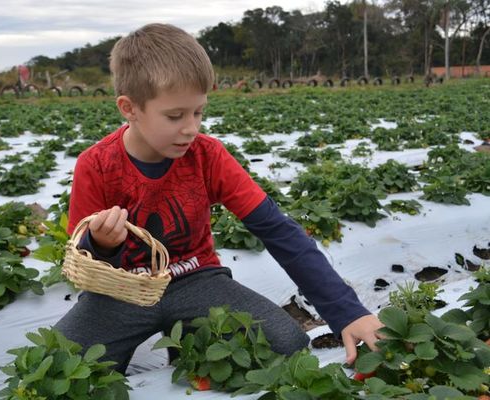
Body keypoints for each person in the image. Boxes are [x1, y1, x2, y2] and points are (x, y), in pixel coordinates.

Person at [56, 23, 383, 375]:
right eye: (174, 116)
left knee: (285, 345)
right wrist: (102, 245)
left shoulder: (207, 155)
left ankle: (192, 349)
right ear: (129, 108)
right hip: (122, 291)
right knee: (59, 368)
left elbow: (276, 229)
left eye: (198, 112)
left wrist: (347, 312)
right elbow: (82, 264)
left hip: (196, 280)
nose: (191, 128)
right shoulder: (97, 164)